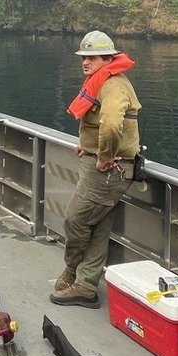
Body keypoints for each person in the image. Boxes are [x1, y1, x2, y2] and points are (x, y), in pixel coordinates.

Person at [49, 30, 141, 308]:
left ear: (108, 59)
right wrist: (87, 145)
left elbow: (112, 125)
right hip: (102, 164)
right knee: (99, 227)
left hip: (109, 169)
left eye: (92, 58)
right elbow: (97, 123)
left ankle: (72, 270)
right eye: (83, 57)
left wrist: (103, 155)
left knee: (75, 219)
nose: (86, 63)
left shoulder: (113, 85)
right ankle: (86, 285)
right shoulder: (103, 82)